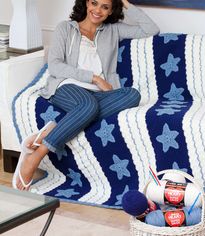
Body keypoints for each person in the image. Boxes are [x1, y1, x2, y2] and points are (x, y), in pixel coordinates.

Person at [13, 0, 159, 190]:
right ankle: (37, 155)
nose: (98, 10)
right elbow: (55, 65)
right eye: (94, 3)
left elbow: (151, 29)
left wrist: (124, 2)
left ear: (110, 11)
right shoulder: (65, 28)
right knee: (88, 106)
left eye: (105, 7)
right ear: (86, 3)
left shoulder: (113, 30)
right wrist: (95, 78)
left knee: (132, 95)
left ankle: (57, 128)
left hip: (98, 95)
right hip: (67, 86)